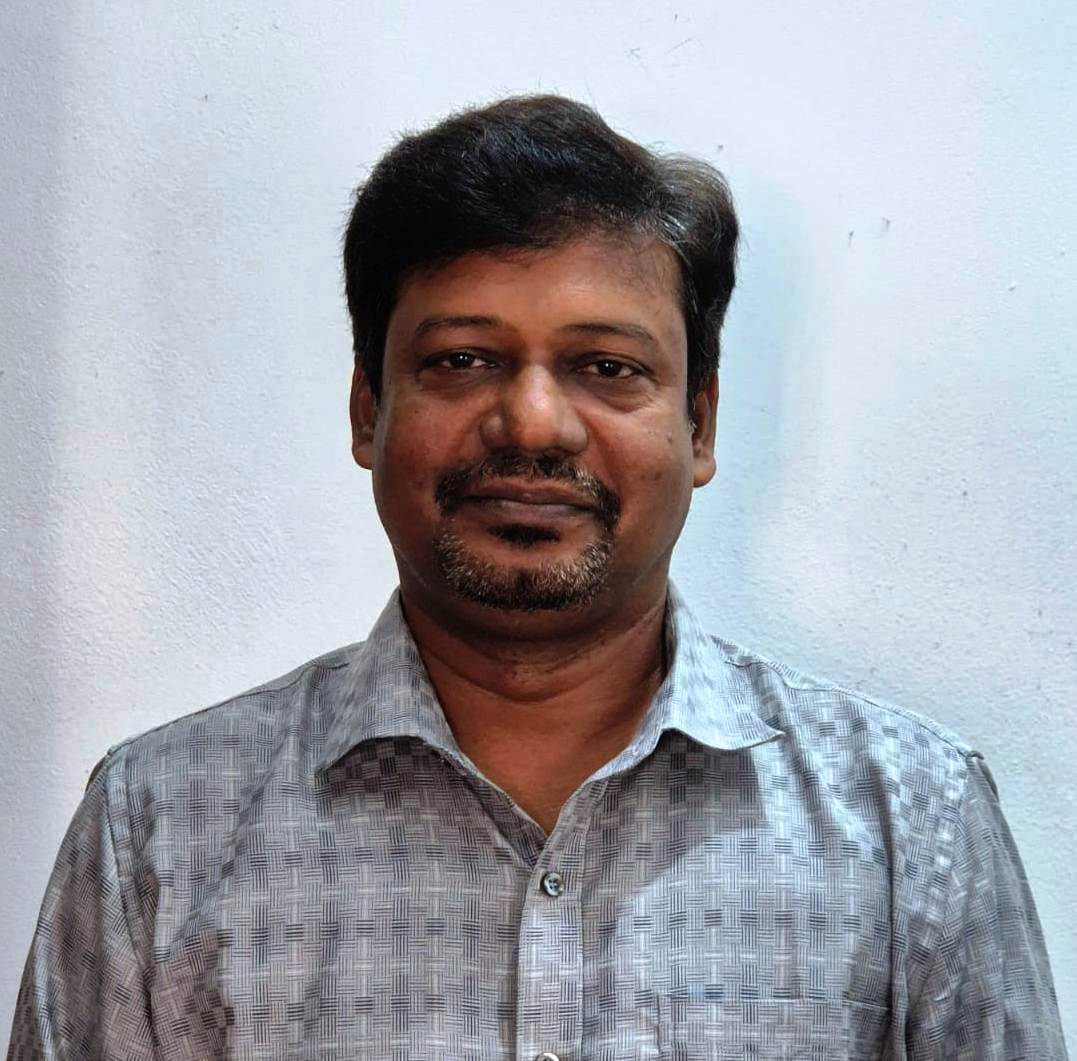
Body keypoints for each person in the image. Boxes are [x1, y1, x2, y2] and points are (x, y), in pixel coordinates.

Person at [7, 96, 1067, 1061]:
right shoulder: (161, 823)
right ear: (368, 410)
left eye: (606, 367)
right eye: (462, 360)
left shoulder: (909, 818)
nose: (532, 423)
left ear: (698, 424)